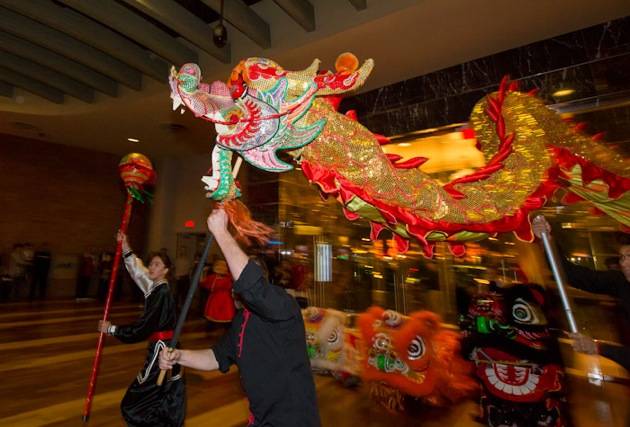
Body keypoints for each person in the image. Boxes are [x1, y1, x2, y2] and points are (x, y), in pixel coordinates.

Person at [159, 208, 320, 427]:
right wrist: (179, 356)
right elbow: (216, 357)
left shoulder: (283, 305)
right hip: (260, 419)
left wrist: (221, 232)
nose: (236, 284)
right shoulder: (241, 321)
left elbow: (251, 285)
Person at [97, 231, 185, 427]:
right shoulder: (157, 287)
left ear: (165, 270)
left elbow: (144, 327)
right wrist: (125, 246)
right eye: (151, 263)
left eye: (156, 265)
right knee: (159, 396)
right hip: (164, 346)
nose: (151, 267)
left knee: (135, 402)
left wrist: (112, 329)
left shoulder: (162, 292)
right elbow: (139, 272)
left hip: (161, 350)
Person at [532, 216, 630, 370]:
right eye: (622, 257)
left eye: (629, 256)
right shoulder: (620, 281)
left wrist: (597, 348)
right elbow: (571, 274)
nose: (624, 263)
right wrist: (547, 240)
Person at [201, 259, 234, 328]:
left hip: (219, 299)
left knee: (217, 316)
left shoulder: (225, 278)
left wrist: (204, 273)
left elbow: (204, 284)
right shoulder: (228, 277)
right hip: (224, 299)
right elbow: (205, 284)